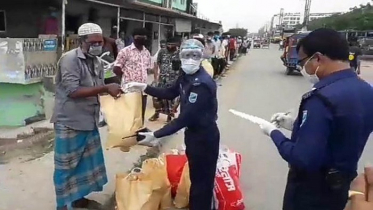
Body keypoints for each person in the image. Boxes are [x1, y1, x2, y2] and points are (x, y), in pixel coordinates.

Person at [256, 28, 373, 210]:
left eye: (303, 62)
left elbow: (302, 158)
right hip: (340, 186)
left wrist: (274, 133)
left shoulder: (321, 98)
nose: (303, 68)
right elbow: (341, 132)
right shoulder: (367, 91)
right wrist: (297, 125)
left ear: (317, 58)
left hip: (311, 191)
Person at [126, 39, 219, 210]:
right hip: (193, 135)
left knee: (201, 184)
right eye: (186, 55)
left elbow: (185, 118)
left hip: (204, 138)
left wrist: (156, 135)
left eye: (195, 55)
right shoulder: (186, 76)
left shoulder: (201, 84)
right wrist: (144, 87)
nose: (190, 59)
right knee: (197, 178)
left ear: (201, 57)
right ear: (180, 56)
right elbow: (169, 93)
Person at [51, 23, 123, 210]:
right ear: (82, 41)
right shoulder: (69, 60)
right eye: (93, 42)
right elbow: (73, 90)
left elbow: (102, 82)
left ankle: (79, 199)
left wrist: (117, 84)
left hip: (89, 120)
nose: (97, 45)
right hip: (70, 121)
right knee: (66, 167)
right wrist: (106, 88)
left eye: (100, 42)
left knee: (85, 164)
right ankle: (64, 205)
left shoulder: (97, 61)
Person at [113, 27, 152, 125]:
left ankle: (138, 132)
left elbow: (146, 69)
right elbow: (116, 68)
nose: (142, 38)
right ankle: (128, 134)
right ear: (134, 37)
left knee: (140, 114)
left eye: (144, 37)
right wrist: (126, 78)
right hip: (129, 90)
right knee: (129, 114)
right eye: (139, 36)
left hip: (143, 90)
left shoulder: (146, 52)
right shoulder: (125, 51)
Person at [149, 37, 182, 122]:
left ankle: (169, 116)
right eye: (168, 44)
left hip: (174, 80)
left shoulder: (180, 54)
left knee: (171, 100)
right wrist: (156, 77)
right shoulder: (162, 51)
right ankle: (157, 113)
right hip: (162, 79)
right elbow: (157, 64)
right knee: (157, 98)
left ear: (177, 45)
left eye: (172, 45)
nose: (170, 46)